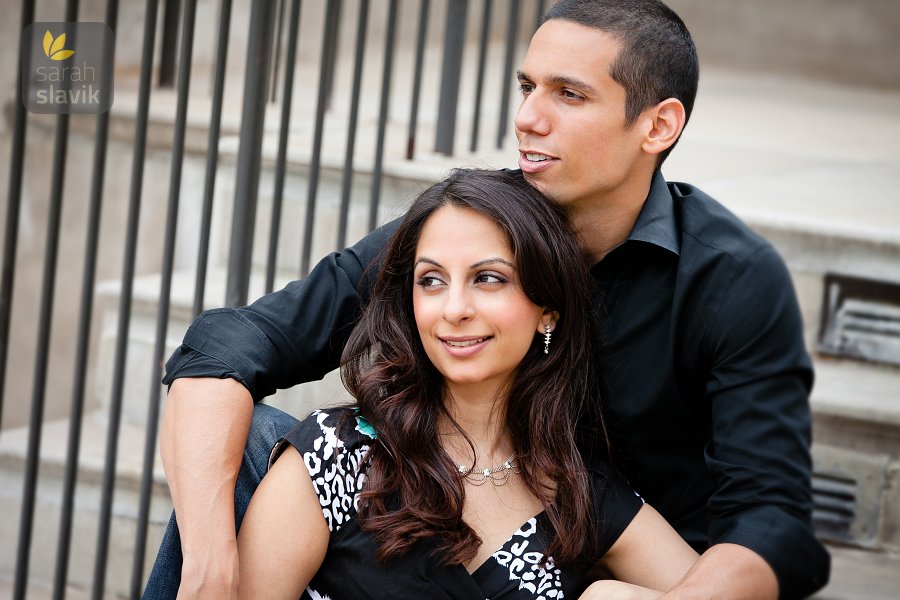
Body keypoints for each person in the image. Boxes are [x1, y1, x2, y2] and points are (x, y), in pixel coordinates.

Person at [146, 1, 830, 598]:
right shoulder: (476, 224)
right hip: (443, 499)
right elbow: (232, 346)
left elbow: (769, 517)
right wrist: (210, 567)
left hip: (608, 551)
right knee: (264, 439)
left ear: (657, 126)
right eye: (527, 86)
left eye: (568, 94)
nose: (527, 118)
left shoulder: (731, 280)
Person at [235, 168, 698, 599]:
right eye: (431, 280)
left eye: (488, 278)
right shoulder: (336, 456)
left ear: (547, 311)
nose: (454, 309)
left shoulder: (580, 494)